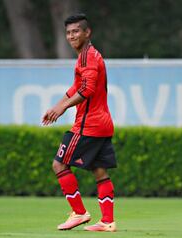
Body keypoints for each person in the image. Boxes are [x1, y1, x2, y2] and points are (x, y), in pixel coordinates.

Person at [42, 13, 117, 232]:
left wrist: (63, 107)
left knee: (59, 164)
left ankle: (79, 213)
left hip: (89, 125)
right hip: (103, 123)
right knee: (100, 171)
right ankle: (107, 221)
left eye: (76, 31)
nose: (72, 35)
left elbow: (87, 89)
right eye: (68, 32)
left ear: (87, 32)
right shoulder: (89, 56)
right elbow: (77, 87)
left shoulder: (87, 57)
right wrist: (58, 104)